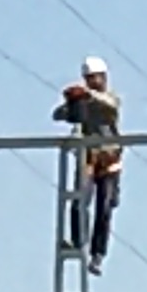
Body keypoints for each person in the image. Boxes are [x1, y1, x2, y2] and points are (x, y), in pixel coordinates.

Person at [55, 56, 124, 269]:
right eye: (89, 79)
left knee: (104, 208)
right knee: (78, 203)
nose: (92, 82)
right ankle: (77, 242)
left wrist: (89, 95)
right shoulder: (84, 103)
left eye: (95, 78)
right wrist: (71, 103)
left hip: (109, 159)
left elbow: (111, 106)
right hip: (88, 158)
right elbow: (58, 115)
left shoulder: (109, 98)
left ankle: (98, 254)